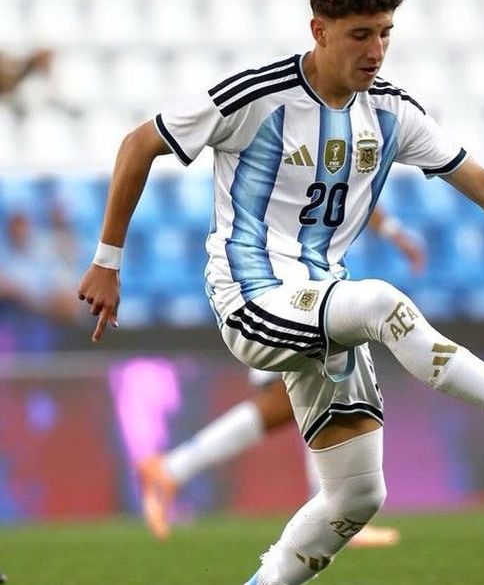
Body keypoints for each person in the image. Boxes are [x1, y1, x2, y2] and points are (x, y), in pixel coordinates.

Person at [78, 0, 484, 585]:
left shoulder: (391, 110)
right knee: (382, 302)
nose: (375, 50)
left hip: (322, 304)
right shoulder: (258, 95)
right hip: (252, 295)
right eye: (361, 34)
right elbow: (138, 143)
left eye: (386, 33)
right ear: (320, 30)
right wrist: (107, 260)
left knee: (358, 495)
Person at [138, 205, 425, 547]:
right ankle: (334, 513)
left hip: (296, 281)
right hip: (277, 284)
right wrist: (393, 231)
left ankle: (172, 469)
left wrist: (391, 229)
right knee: (303, 389)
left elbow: (355, 185)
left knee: (297, 395)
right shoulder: (286, 160)